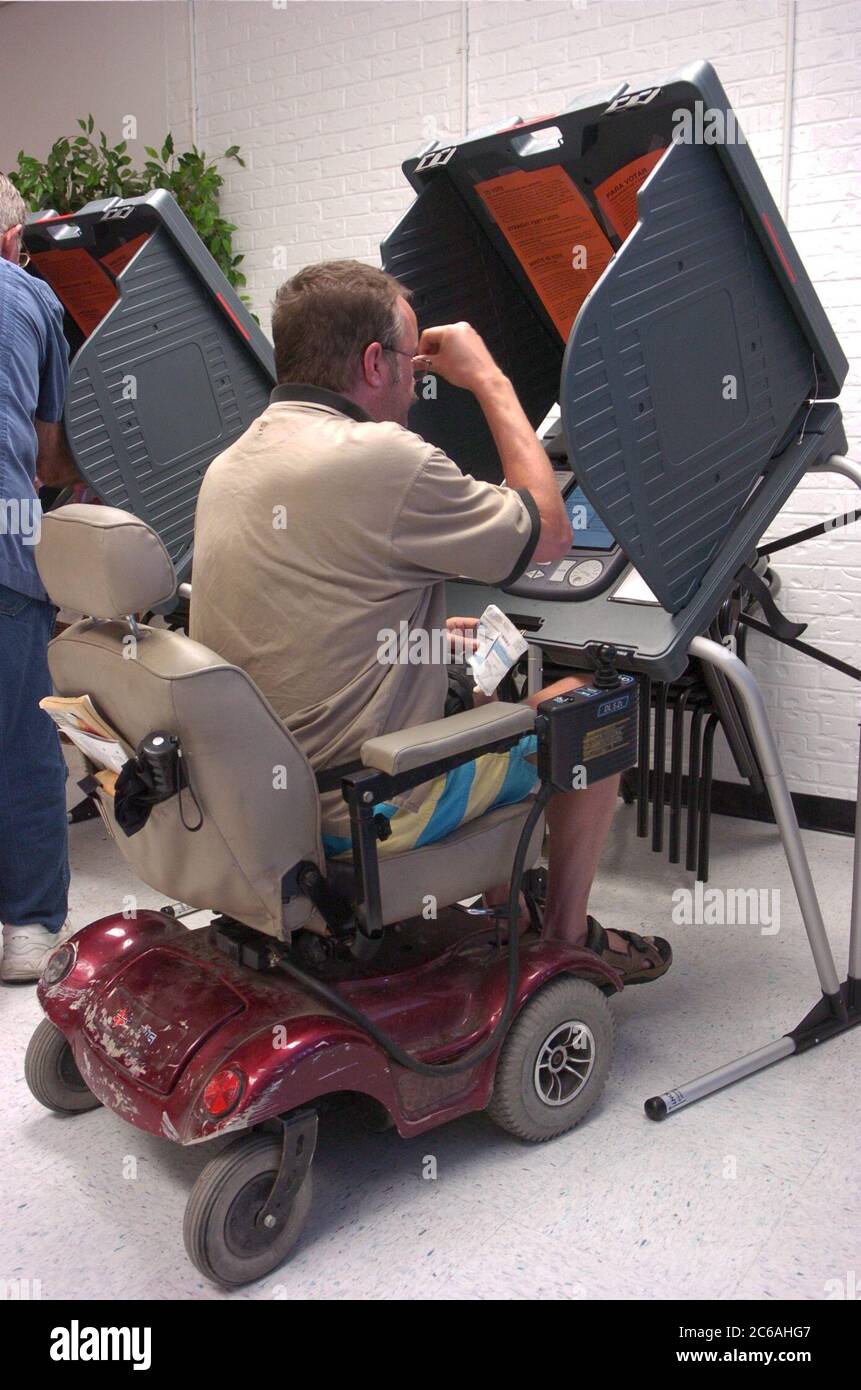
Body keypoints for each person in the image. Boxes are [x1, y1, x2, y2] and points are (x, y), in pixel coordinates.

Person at [191, 260, 670, 981]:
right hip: (364, 803)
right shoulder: (383, 456)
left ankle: (506, 912)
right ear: (373, 362)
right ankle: (566, 944)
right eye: (411, 359)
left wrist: (411, 638)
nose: (420, 378)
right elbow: (547, 532)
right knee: (590, 710)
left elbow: (304, 609)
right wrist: (490, 380)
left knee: (484, 691)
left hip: (256, 796)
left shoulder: (233, 460)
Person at [0, 174, 77, 981]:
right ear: (13, 241)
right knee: (21, 738)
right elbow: (50, 451)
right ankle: (26, 927)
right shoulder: (27, 297)